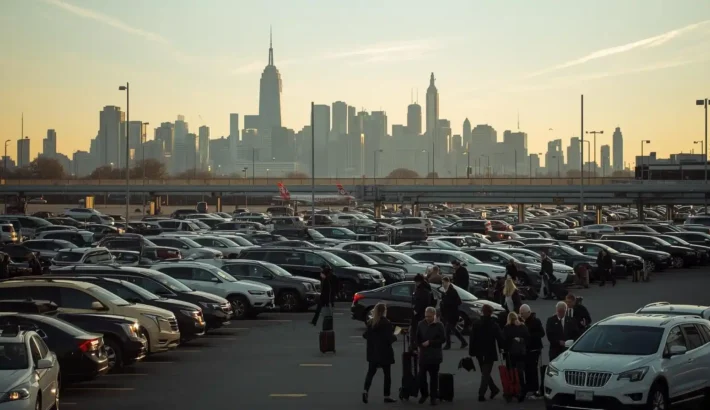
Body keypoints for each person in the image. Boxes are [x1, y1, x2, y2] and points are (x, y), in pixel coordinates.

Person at [362, 303, 397, 404]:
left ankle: (365, 391)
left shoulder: (370, 322)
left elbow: (365, 335)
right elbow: (389, 339)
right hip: (384, 353)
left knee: (370, 373)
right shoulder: (386, 323)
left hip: (373, 352)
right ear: (384, 311)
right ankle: (386, 395)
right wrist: (395, 335)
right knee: (387, 375)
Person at [469, 304, 504, 402]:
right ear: (491, 313)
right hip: (490, 352)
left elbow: (472, 339)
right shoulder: (494, 325)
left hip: (479, 352)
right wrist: (503, 348)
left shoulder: (476, 324)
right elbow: (500, 338)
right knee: (486, 373)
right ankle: (485, 392)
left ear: (482, 312)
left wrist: (471, 352)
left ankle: (491, 390)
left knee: (484, 373)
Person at [415, 306, 446, 405]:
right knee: (421, 377)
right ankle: (424, 394)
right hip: (423, 355)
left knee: (433, 378)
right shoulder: (421, 324)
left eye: (429, 316)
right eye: (426, 316)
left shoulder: (439, 325)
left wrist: (430, 342)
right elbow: (417, 338)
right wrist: (419, 345)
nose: (427, 318)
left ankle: (433, 397)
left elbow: (443, 340)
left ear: (434, 315)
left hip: (434, 355)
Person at [502, 312, 530, 402]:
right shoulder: (523, 326)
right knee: (520, 371)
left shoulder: (507, 328)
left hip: (511, 354)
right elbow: (528, 338)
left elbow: (504, 341)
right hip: (521, 353)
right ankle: (522, 388)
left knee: (511, 372)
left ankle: (513, 390)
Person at [519, 304, 545, 397]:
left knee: (533, 369)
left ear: (528, 313)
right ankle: (529, 387)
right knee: (526, 369)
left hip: (534, 348)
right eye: (520, 313)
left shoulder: (536, 321)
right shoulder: (521, 321)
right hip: (525, 349)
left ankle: (534, 388)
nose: (521, 315)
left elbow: (542, 333)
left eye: (523, 313)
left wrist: (529, 336)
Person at [440, 277, 468, 350]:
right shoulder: (444, 292)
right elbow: (443, 302)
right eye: (442, 283)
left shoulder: (452, 291)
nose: (443, 284)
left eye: (444, 283)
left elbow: (458, 302)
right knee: (452, 329)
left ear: (448, 282)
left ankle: (448, 344)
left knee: (448, 329)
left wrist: (448, 303)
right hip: (447, 314)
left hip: (453, 313)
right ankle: (463, 342)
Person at [411, 274, 434, 338]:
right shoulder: (426, 288)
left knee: (417, 329)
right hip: (423, 312)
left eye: (416, 282)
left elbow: (420, 301)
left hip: (420, 313)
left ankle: (416, 344)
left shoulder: (422, 290)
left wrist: (416, 310)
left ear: (419, 281)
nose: (415, 283)